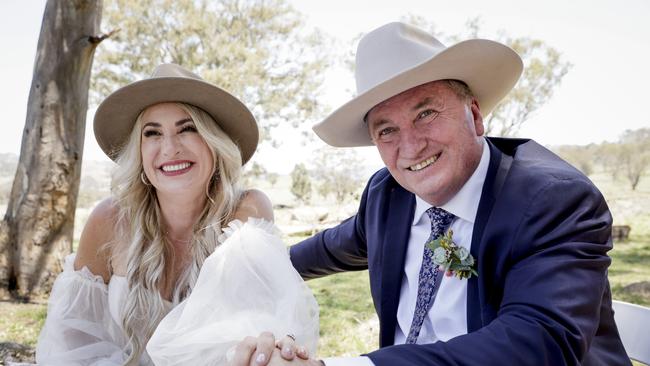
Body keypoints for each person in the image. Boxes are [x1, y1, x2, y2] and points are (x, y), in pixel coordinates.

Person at [235, 22, 632, 365]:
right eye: (387, 130)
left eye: (425, 113)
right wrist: (254, 271)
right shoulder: (387, 195)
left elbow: (540, 344)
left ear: (474, 115)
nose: (410, 147)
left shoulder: (552, 200)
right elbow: (333, 247)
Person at [35, 64, 319, 366]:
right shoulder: (109, 219)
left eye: (188, 128)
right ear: (140, 151)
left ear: (214, 142)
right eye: (153, 133)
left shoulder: (246, 211)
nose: (169, 148)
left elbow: (259, 325)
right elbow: (71, 341)